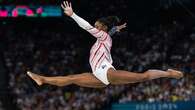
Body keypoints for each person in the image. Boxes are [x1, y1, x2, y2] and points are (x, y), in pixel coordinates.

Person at [27, 1, 183, 88]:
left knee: (143, 76)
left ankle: (168, 73)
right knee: (71, 78)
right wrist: (116, 28)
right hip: (97, 76)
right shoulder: (103, 37)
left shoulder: (102, 36)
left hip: (106, 71)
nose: (95, 27)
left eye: (97, 25)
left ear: (102, 28)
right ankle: (42, 79)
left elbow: (87, 27)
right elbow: (109, 33)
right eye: (95, 25)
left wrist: (72, 14)